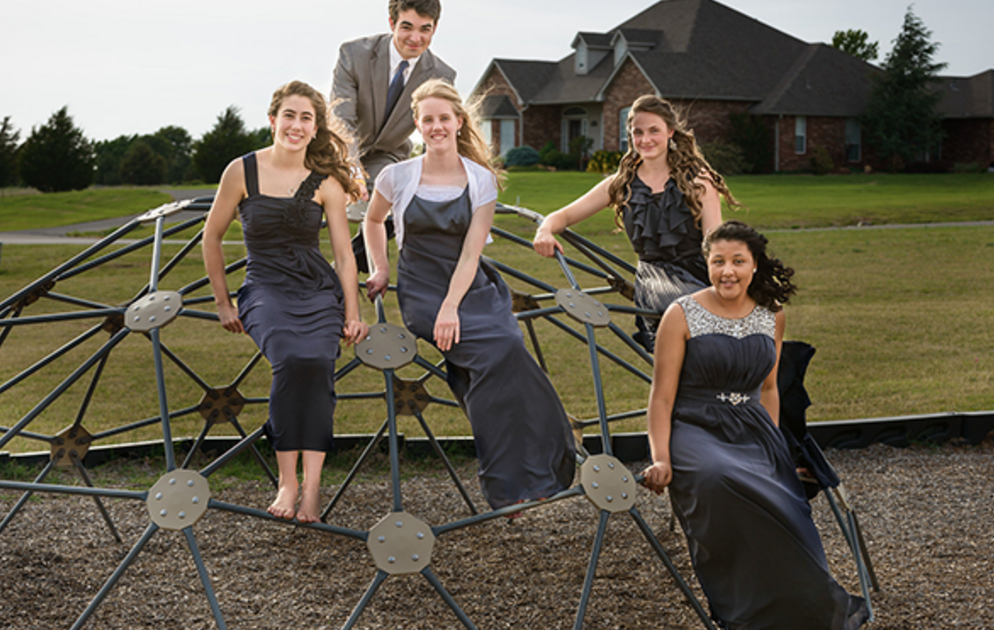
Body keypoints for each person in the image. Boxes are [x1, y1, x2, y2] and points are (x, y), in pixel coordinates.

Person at [641, 221, 868, 629]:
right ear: (706, 264)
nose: (727, 271)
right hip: (696, 428)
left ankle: (804, 612)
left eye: (738, 261)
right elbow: (661, 397)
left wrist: (774, 443)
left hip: (754, 429)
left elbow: (768, 389)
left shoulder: (772, 316)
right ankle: (747, 614)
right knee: (719, 478)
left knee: (784, 507)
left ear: (754, 265)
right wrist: (661, 458)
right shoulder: (680, 314)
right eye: (718, 262)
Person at [362, 79, 575, 509]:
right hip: (422, 289)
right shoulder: (396, 175)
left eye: (444, 118)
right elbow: (371, 222)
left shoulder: (481, 180)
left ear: (459, 122)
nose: (436, 126)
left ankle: (540, 465)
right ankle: (516, 478)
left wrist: (452, 307)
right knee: (490, 355)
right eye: (428, 120)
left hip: (470, 286)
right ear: (417, 126)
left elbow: (471, 254)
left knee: (508, 346)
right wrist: (381, 267)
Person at [202, 81, 368, 523]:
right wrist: (223, 303)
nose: (296, 125)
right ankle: (287, 480)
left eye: (306, 118)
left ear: (315, 129)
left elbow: (344, 257)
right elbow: (212, 237)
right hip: (265, 288)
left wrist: (352, 312)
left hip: (316, 289)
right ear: (272, 119)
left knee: (316, 363)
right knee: (292, 359)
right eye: (289, 116)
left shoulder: (327, 183)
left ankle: (312, 487)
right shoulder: (241, 171)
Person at [532, 95, 739, 352]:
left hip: (700, 274)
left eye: (654, 131)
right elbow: (562, 216)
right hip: (656, 280)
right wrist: (544, 230)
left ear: (670, 132)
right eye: (637, 132)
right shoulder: (620, 184)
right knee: (691, 326)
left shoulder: (698, 180)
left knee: (742, 334)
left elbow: (716, 247)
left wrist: (727, 286)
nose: (645, 139)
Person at [331, 0, 456, 220]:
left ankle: (361, 255)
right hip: (340, 151)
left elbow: (443, 133)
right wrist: (352, 169)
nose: (415, 38)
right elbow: (342, 120)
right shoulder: (354, 55)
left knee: (392, 207)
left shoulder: (442, 76)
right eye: (407, 27)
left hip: (387, 156)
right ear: (392, 23)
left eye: (425, 29)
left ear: (434, 28)